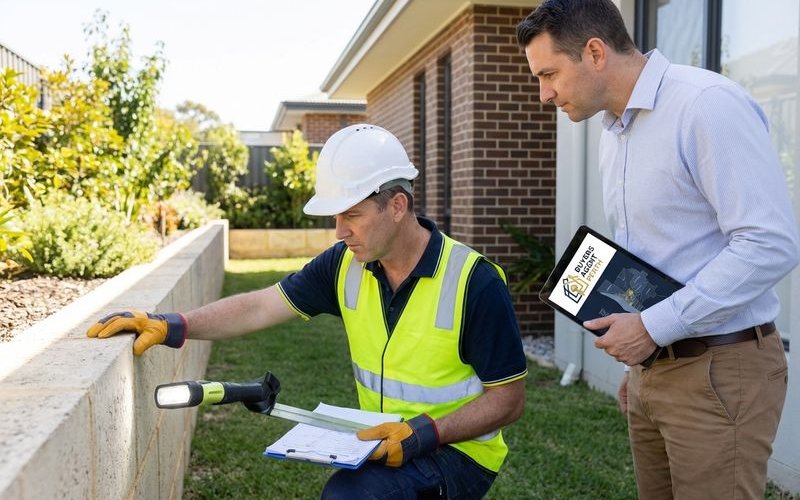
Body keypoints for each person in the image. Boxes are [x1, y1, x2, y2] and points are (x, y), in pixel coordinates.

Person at [86, 123, 527, 499]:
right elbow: (259, 306)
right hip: (383, 435)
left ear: (396, 206)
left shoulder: (475, 283)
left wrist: (422, 434)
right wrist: (172, 325)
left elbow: (508, 401)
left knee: (351, 495)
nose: (339, 231)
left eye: (351, 214)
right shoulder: (344, 264)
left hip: (458, 451)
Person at [517, 1, 799, 498]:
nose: (543, 95)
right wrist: (641, 366)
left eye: (549, 74)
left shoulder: (704, 104)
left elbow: (770, 243)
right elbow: (652, 262)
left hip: (720, 369)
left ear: (595, 52)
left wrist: (652, 328)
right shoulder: (615, 132)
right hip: (656, 369)